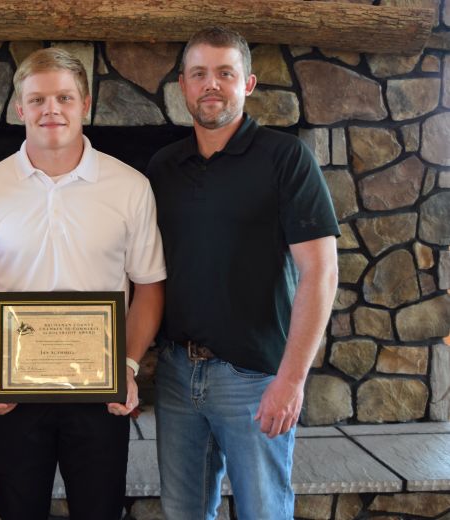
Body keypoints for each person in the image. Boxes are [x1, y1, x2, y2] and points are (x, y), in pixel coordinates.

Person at [0, 48, 166, 520]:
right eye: (38, 99)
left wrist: (126, 366)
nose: (52, 110)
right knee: (18, 509)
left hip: (100, 391)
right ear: (20, 109)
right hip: (15, 393)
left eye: (64, 97)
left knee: (100, 509)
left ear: (85, 104)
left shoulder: (130, 187)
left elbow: (149, 285)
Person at [147, 27, 339, 520]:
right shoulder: (163, 167)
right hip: (175, 373)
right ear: (183, 86)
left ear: (247, 83)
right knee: (183, 513)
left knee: (264, 511)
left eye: (224, 73)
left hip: (254, 379)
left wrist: (291, 380)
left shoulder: (286, 158)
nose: (211, 85)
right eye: (199, 74)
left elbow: (320, 272)